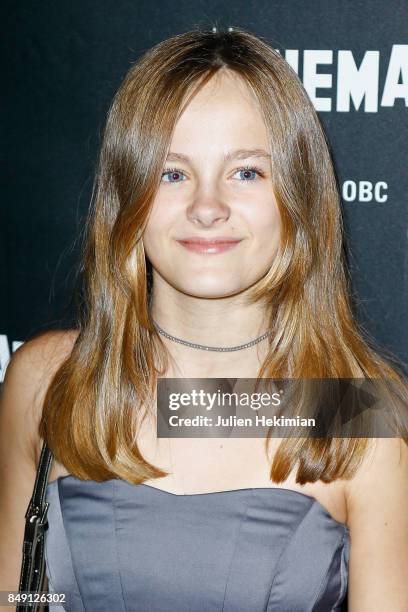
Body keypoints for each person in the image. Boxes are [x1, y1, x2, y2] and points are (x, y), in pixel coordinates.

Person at [1, 26, 407, 612]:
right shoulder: (47, 378)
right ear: (127, 196)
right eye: (172, 173)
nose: (207, 206)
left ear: (297, 194)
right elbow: (17, 596)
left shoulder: (358, 409)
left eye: (246, 172)